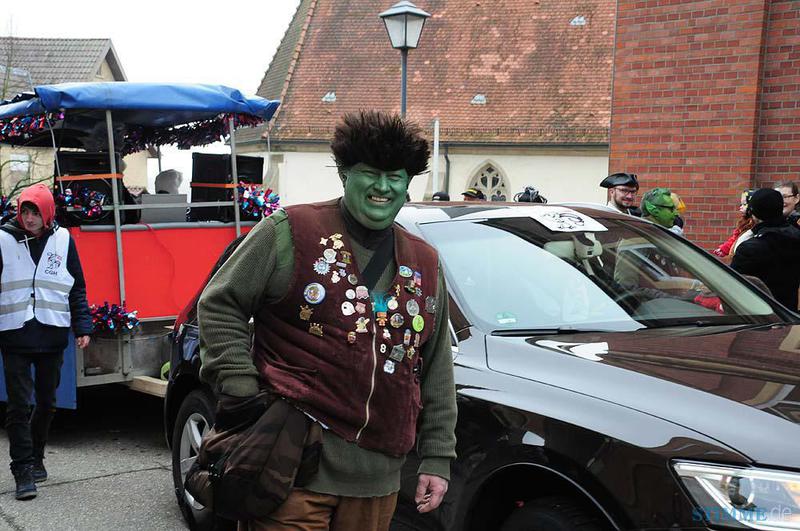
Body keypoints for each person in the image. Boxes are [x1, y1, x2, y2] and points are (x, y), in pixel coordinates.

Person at [198, 110, 457, 530]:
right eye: (370, 173)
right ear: (344, 173)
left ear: (407, 184)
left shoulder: (425, 261)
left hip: (377, 480)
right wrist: (240, 387)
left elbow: (435, 365)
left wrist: (438, 456)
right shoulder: (291, 230)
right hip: (290, 467)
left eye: (395, 177)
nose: (383, 187)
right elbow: (219, 303)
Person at [0, 183, 92, 500]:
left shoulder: (63, 239)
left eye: (35, 213)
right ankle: (22, 470)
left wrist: (82, 327)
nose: (29, 218)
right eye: (25, 211)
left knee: (47, 403)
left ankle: (37, 457)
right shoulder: (3, 239)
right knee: (18, 405)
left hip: (52, 334)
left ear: (48, 214)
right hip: (14, 334)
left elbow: (76, 287)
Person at [731, 188, 800, 309]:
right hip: (789, 313)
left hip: (757, 314)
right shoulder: (795, 237)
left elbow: (732, 286)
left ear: (753, 213)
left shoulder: (750, 248)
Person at [713, 190, 755, 258]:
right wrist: (724, 249)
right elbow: (734, 238)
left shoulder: (754, 225)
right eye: (741, 204)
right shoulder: (743, 222)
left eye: (744, 204)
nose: (740, 207)